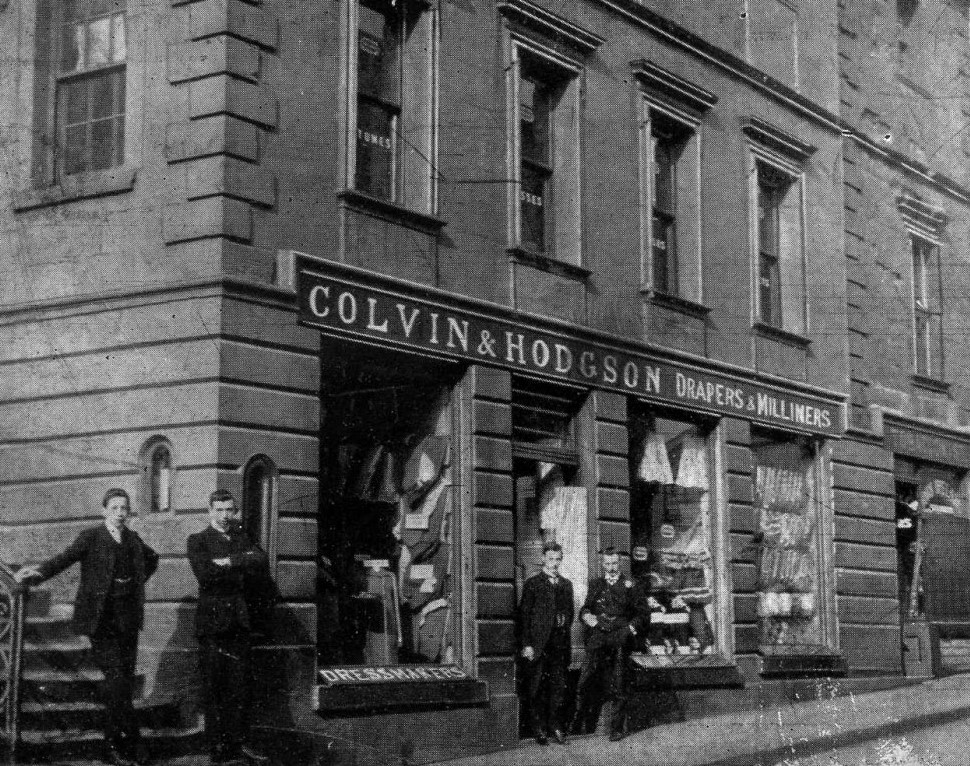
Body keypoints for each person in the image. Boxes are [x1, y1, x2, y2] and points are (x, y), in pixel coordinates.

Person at [15, 488, 159, 766]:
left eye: (124, 508)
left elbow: (152, 559)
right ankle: (123, 743)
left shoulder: (132, 539)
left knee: (122, 683)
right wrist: (39, 573)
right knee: (117, 680)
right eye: (114, 508)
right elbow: (64, 558)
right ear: (104, 510)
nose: (120, 513)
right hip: (100, 621)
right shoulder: (91, 537)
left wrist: (133, 583)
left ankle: (122, 743)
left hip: (127, 622)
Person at [187, 489, 273, 765]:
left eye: (229, 510)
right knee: (214, 685)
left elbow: (261, 560)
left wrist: (231, 561)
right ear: (209, 511)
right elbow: (205, 574)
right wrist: (240, 565)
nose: (225, 516)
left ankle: (240, 742)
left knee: (240, 685)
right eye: (219, 510)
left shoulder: (242, 537)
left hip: (239, 620)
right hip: (212, 623)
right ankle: (217, 745)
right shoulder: (198, 540)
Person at [572, 547, 648, 741]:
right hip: (598, 638)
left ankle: (616, 728)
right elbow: (586, 608)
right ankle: (578, 723)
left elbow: (643, 615)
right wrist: (587, 616)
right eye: (607, 563)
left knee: (619, 682)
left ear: (619, 563)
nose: (611, 567)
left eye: (614, 563)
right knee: (585, 679)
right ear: (602, 564)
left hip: (620, 638)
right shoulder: (596, 584)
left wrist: (628, 630)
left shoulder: (631, 585)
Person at [518, 542, 574, 746]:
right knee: (537, 687)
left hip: (559, 645)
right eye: (551, 559)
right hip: (538, 645)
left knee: (558, 687)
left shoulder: (566, 584)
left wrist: (563, 623)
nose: (554, 563)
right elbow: (524, 616)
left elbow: (570, 613)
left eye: (558, 559)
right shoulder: (533, 583)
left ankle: (555, 726)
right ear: (543, 559)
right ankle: (538, 728)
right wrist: (527, 644)